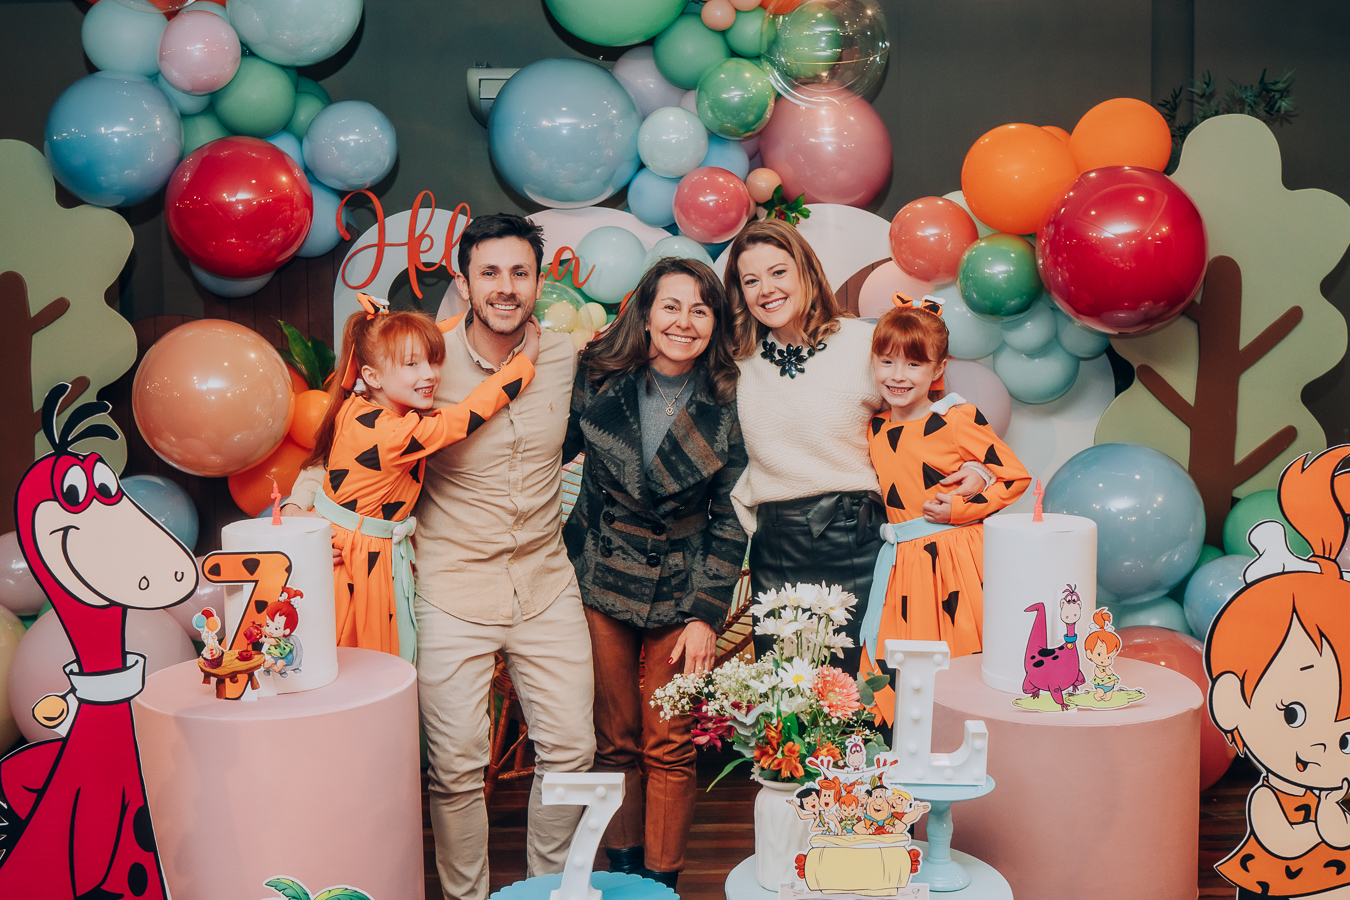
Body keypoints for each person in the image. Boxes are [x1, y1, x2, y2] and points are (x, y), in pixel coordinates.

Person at [286, 213, 594, 900]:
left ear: (539, 281)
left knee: (573, 752)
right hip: (451, 588)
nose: (506, 287)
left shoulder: (564, 355)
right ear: (465, 280)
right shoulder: (423, 359)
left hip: (546, 584)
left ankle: (544, 890)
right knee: (454, 771)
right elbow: (342, 439)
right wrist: (307, 509)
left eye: (520, 272)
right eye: (490, 272)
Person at [723, 219, 984, 673]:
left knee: (862, 688)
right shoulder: (736, 363)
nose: (766, 289)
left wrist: (977, 469)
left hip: (859, 537)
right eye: (751, 280)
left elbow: (928, 420)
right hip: (776, 542)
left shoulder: (866, 343)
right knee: (784, 691)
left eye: (778, 272)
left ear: (807, 271)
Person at [561, 257, 748, 888]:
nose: (684, 321)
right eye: (671, 306)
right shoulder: (596, 379)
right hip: (598, 577)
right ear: (645, 313)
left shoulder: (728, 400)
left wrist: (707, 615)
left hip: (682, 588)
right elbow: (536, 450)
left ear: (715, 323)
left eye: (700, 309)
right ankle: (622, 874)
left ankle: (661, 883)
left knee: (668, 742)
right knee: (612, 739)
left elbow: (732, 515)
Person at [299, 293, 538, 661]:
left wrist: (465, 322)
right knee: (363, 666)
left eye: (433, 361)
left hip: (343, 546)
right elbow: (469, 414)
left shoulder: (353, 404)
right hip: (359, 560)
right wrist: (525, 361)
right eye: (412, 364)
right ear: (372, 376)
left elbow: (419, 342)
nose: (429, 374)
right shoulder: (397, 434)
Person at [858, 301, 1029, 721]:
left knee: (962, 661)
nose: (898, 375)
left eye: (914, 364)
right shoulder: (875, 426)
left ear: (938, 369)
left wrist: (961, 506)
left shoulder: (956, 417)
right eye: (887, 361)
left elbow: (1015, 477)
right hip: (904, 562)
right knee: (908, 667)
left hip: (956, 558)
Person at [1207, 446, 1350, 900]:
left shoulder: (1329, 792)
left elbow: (1341, 837)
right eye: (1292, 714)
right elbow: (1280, 842)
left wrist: (1332, 812)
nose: (1323, 746)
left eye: (1346, 739)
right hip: (1276, 880)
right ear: (1230, 702)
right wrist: (1319, 825)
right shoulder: (1269, 796)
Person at [1083, 607, 1122, 702]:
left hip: (1110, 685)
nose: (1105, 659)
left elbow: (1109, 672)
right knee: (1100, 693)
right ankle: (1098, 696)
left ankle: (1108, 697)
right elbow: (1099, 675)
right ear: (1089, 654)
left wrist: (1108, 671)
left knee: (1109, 695)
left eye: (1109, 656)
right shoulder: (1097, 668)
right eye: (1100, 654)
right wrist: (1104, 672)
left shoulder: (1107, 667)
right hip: (1100, 685)